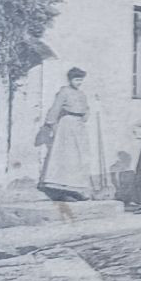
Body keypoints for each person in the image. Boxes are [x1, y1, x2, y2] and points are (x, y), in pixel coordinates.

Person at [38, 68, 94, 201]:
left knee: (79, 157)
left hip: (79, 125)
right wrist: (51, 123)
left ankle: (75, 188)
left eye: (81, 80)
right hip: (67, 125)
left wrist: (87, 114)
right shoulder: (64, 92)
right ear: (70, 80)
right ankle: (62, 190)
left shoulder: (81, 94)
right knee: (68, 157)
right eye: (76, 80)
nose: (79, 82)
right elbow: (56, 107)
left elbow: (86, 108)